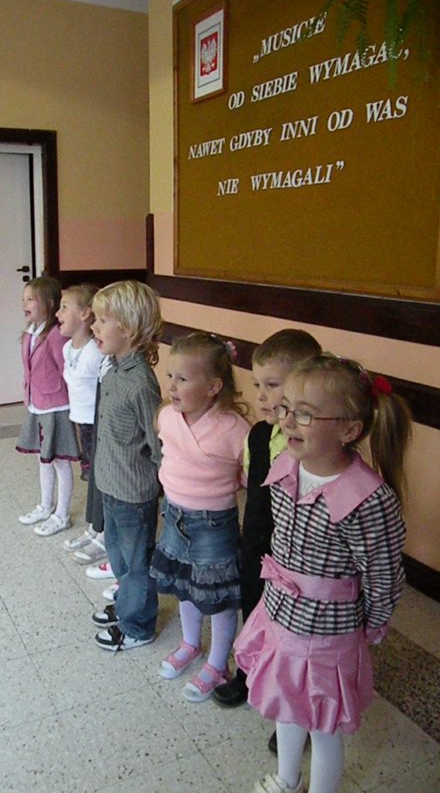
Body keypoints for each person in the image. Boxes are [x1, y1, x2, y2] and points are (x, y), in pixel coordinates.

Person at [235, 353, 412, 793]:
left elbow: (384, 575)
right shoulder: (286, 465)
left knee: (323, 725)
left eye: (305, 414)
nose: (287, 420)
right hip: (280, 614)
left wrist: (372, 624)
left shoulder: (367, 499)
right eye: (286, 408)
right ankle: (287, 778)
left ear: (349, 431)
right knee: (287, 706)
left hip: (328, 633)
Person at [213, 329, 321, 715]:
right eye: (257, 384)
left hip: (296, 561)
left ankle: (291, 708)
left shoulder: (315, 446)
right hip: (256, 546)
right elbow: (250, 485)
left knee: (290, 634)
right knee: (253, 609)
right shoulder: (258, 435)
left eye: (272, 385)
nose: (260, 395)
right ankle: (249, 673)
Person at [149, 332, 251, 701]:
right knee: (185, 587)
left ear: (213, 387)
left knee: (218, 598)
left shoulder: (235, 429)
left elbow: (249, 476)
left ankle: (218, 663)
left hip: (214, 525)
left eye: (183, 379)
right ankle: (191, 643)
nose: (172, 386)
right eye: (170, 376)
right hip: (174, 515)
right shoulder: (167, 416)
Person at [90, 280, 163, 651]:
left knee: (137, 564)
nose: (93, 326)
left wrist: (169, 493)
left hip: (134, 494)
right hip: (110, 485)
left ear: (130, 329)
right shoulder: (113, 369)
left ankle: (138, 625)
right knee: (118, 558)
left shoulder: (141, 383)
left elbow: (158, 444)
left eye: (103, 320)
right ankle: (127, 604)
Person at [16, 276, 79, 537]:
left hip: (56, 405)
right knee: (43, 458)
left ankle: (61, 515)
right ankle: (45, 505)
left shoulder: (55, 336)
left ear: (50, 304)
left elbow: (66, 372)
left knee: (60, 461)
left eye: (31, 299)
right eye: (23, 299)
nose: (24, 304)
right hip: (37, 403)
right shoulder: (29, 333)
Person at [55, 284, 104, 555]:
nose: (58, 313)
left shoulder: (95, 352)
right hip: (81, 423)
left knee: (101, 480)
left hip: (98, 425)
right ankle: (95, 527)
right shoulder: (67, 349)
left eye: (65, 307)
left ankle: (104, 534)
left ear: (85, 314)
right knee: (91, 478)